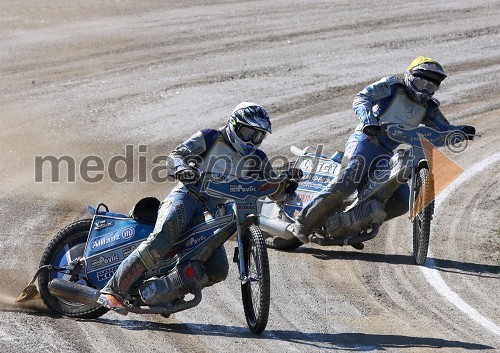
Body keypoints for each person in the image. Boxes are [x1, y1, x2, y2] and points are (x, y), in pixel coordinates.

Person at [98, 102, 273, 314]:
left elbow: (271, 187)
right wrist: (182, 169)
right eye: (248, 132)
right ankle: (113, 290)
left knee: (218, 270)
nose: (252, 141)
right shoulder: (210, 137)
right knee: (162, 238)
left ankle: (165, 293)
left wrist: (286, 185)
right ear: (234, 124)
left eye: (258, 136)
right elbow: (175, 156)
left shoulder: (258, 159)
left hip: (214, 213)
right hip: (187, 196)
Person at [293, 56, 476, 245]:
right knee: (347, 182)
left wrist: (460, 131)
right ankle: (302, 222)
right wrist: (369, 121)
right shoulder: (393, 86)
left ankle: (354, 225)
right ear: (410, 76)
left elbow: (442, 128)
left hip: (387, 155)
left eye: (431, 87)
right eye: (421, 82)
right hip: (365, 140)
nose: (424, 90)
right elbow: (362, 98)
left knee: (403, 201)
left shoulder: (429, 107)